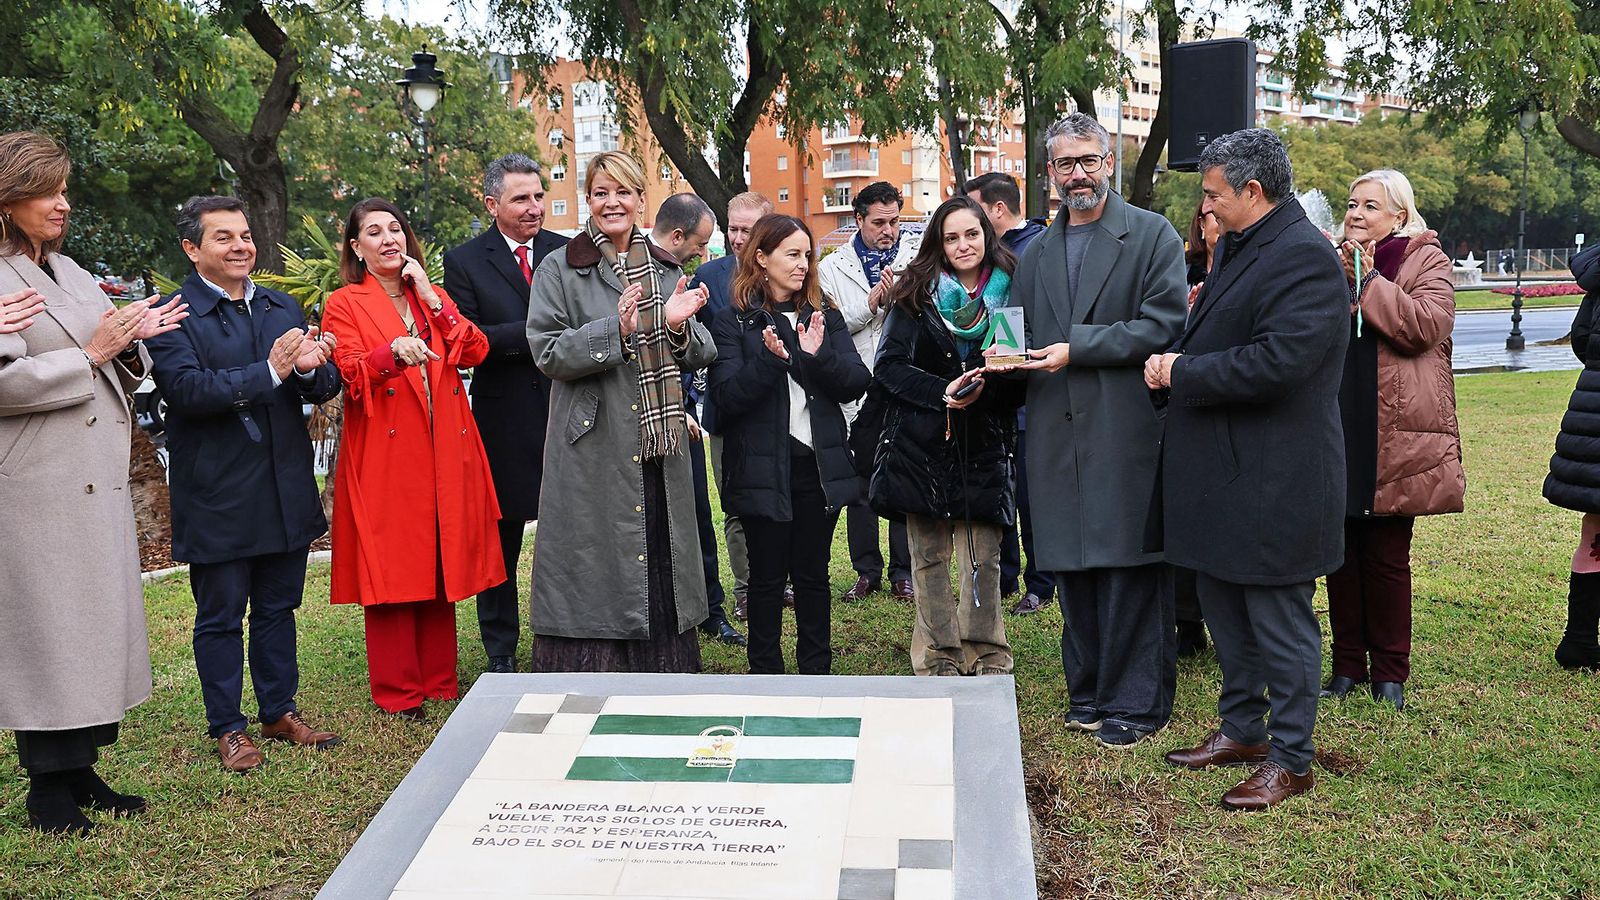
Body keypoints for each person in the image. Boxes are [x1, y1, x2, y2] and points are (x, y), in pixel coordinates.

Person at [1145, 128, 1348, 811]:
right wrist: (1175, 360)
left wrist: (1183, 371)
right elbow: (1221, 332)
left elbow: (1280, 363)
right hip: (1225, 474)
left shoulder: (1305, 259)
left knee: (1279, 621)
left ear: (1252, 192)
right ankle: (1242, 730)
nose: (1204, 208)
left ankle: (1292, 759)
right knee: (1225, 608)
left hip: (1276, 478)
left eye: (1212, 194)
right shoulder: (1237, 246)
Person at [0, 130, 186, 833]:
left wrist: (131, 341)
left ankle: (79, 771)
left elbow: (103, 350)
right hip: (36, 482)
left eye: (64, 188)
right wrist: (92, 353)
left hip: (92, 477)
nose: (63, 203)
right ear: (7, 199)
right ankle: (45, 789)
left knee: (87, 633)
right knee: (47, 635)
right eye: (47, 191)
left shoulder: (69, 269)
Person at [999, 113, 1187, 746]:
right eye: (1064, 163)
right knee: (1072, 566)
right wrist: (994, 367)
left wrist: (1075, 349)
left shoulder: (1152, 235)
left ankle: (1138, 704)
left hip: (1125, 426)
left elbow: (1163, 327)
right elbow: (1018, 335)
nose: (1077, 173)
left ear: (1109, 161)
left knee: (1129, 567)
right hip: (1054, 431)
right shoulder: (1038, 250)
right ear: (1049, 172)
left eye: (1088, 160)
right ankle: (1089, 692)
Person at [145, 195, 344, 772]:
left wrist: (312, 367)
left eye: (245, 236)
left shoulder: (281, 306)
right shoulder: (173, 315)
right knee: (221, 617)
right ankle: (228, 726)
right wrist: (272, 371)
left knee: (280, 609)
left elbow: (319, 385)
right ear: (191, 248)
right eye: (223, 237)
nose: (241, 247)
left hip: (284, 488)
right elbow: (187, 392)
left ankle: (279, 710)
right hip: (218, 493)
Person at [525, 152, 714, 673]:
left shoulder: (663, 265)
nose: (613, 202)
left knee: (658, 548)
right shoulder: (560, 267)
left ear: (640, 200)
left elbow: (703, 350)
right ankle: (591, 671)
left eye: (624, 192)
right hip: (594, 440)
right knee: (596, 557)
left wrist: (675, 325)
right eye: (601, 192)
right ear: (588, 199)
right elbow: (547, 351)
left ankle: (662, 669)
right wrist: (618, 331)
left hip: (660, 441)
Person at [322, 198, 504, 719]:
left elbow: (475, 351)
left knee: (439, 558)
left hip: (445, 445)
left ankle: (440, 681)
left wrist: (431, 296)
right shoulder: (345, 302)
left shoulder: (432, 297)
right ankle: (400, 691)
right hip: (387, 446)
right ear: (357, 248)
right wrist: (389, 355)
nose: (388, 239)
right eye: (373, 232)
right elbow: (351, 373)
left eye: (395, 229)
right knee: (394, 564)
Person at [1323, 169, 1463, 711]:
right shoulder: (1332, 259)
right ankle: (1345, 666)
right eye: (1351, 203)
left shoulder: (1424, 259)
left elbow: (1428, 324)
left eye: (1370, 206)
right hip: (1338, 420)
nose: (1355, 214)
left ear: (1399, 215)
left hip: (1394, 429)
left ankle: (1389, 673)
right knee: (1339, 553)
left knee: (1385, 556)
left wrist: (1365, 283)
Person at [870, 196, 1022, 676]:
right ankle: (938, 655)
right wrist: (944, 391)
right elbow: (889, 368)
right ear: (938, 242)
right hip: (922, 443)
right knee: (929, 557)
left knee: (984, 556)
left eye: (971, 234)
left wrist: (992, 385)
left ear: (986, 235)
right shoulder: (914, 293)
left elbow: (1019, 377)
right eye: (951, 237)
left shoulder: (1012, 290)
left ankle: (985, 649)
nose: (963, 245)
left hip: (984, 441)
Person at [710, 214, 869, 674]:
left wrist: (816, 357)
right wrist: (769, 360)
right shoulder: (733, 322)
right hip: (763, 468)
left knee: (813, 576)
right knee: (765, 579)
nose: (803, 265)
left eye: (807, 255)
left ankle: (816, 674)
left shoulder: (826, 314)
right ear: (761, 257)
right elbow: (724, 399)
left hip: (818, 468)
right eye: (792, 254)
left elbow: (855, 381)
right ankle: (765, 676)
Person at [443, 153, 569, 675]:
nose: (534, 207)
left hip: (569, 413)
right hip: (503, 421)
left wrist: (527, 336)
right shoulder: (466, 261)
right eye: (522, 198)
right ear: (493, 204)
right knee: (502, 544)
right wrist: (542, 333)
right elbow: (468, 341)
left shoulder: (569, 252)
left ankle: (568, 636)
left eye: (539, 196)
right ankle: (500, 651)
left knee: (571, 536)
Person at [648, 193, 743, 647]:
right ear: (679, 235)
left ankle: (710, 608)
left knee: (700, 517)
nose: (705, 255)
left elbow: (688, 354)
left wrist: (685, 405)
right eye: (702, 244)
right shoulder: (634, 273)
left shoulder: (679, 277)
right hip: (636, 422)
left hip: (681, 419)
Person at [817, 181, 918, 603]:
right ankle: (865, 571)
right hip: (858, 385)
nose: (889, 230)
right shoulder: (832, 267)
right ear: (858, 220)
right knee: (860, 482)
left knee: (904, 476)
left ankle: (903, 574)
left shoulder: (917, 256)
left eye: (895, 221)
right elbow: (835, 328)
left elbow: (931, 317)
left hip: (905, 381)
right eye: (879, 223)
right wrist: (874, 300)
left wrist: (904, 297)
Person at [965, 172, 1052, 615]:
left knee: (1030, 497)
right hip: (989, 395)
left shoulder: (1036, 249)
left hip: (1027, 396)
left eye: (975, 211)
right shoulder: (984, 260)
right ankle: (1005, 576)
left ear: (997, 210)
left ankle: (1040, 583)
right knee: (1002, 494)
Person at [691, 191, 774, 623]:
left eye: (748, 229)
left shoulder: (784, 269)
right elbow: (685, 346)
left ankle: (783, 581)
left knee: (782, 496)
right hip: (727, 412)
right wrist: (689, 403)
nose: (738, 238)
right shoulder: (706, 277)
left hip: (780, 409)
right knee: (736, 502)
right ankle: (746, 590)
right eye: (733, 228)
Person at [1546, 242, 1600, 672]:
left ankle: (1579, 639)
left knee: (1595, 530)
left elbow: (1581, 338)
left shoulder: (1596, 273)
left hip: (1592, 407)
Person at [1173, 198, 1222, 658]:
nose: (1218, 224)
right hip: (1182, 403)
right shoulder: (1185, 271)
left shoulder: (1248, 270)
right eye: (1211, 217)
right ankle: (1187, 620)